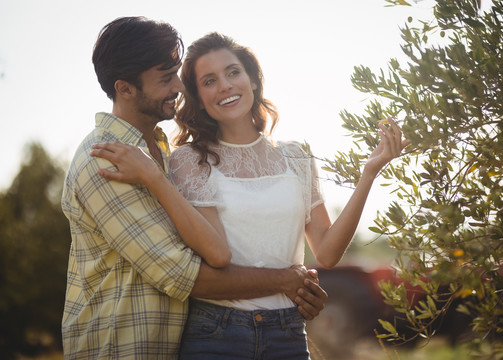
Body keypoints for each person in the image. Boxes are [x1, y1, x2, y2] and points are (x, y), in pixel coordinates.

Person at [91, 32, 408, 360]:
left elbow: (327, 253)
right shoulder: (189, 160)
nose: (225, 86)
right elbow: (218, 255)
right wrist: (288, 280)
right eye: (210, 81)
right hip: (216, 331)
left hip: (288, 331)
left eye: (233, 72)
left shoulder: (297, 157)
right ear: (199, 98)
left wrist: (369, 174)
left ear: (253, 81)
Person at [61, 18, 326, 360]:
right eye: (165, 78)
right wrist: (287, 282)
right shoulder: (105, 162)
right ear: (125, 88)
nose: (179, 87)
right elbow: (184, 275)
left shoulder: (157, 153)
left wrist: (296, 292)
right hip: (121, 349)